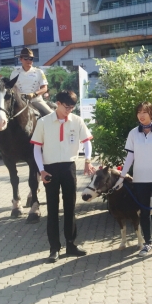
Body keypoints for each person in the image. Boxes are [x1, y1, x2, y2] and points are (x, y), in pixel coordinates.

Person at [30, 90, 96, 263]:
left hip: (69, 167)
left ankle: (71, 244)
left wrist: (88, 160)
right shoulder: (43, 122)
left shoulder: (77, 121)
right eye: (67, 107)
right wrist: (41, 170)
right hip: (49, 169)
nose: (69, 110)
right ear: (58, 103)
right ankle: (54, 248)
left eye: (72, 107)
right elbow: (37, 148)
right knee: (52, 209)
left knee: (70, 207)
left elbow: (87, 142)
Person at [114, 101, 152, 257]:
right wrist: (121, 177)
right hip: (140, 180)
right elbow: (130, 157)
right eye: (139, 112)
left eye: (144, 112)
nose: (141, 115)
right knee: (144, 213)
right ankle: (148, 243)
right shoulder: (133, 133)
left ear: (150, 113)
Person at [10, 47, 52, 116]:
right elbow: (11, 89)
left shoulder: (39, 72)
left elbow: (44, 88)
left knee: (51, 115)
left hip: (36, 101)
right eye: (26, 58)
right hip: (19, 102)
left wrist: (34, 94)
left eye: (31, 58)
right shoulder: (14, 73)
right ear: (21, 59)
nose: (28, 61)